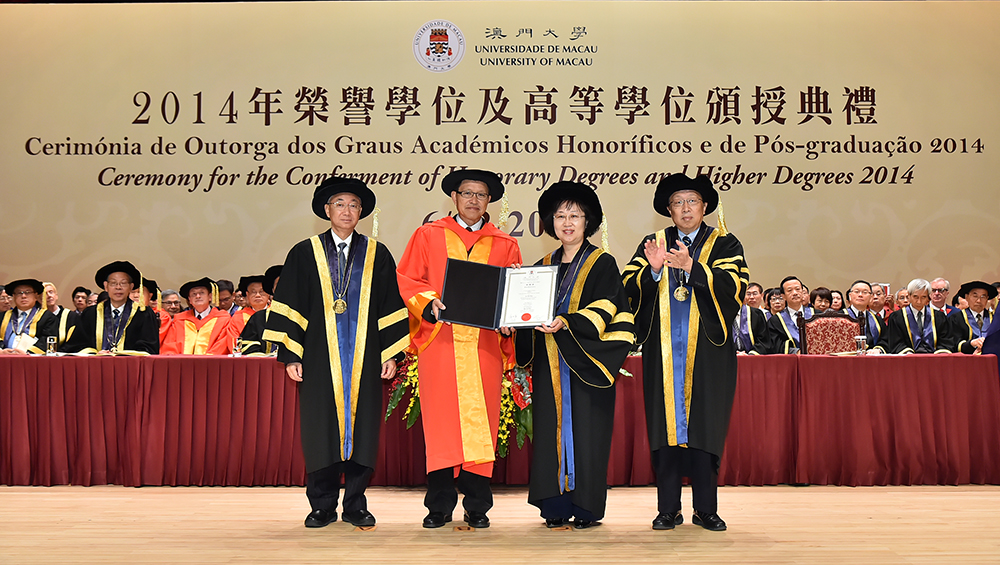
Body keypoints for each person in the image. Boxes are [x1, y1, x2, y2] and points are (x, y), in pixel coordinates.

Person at [264, 177, 409, 529]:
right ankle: (322, 505)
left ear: (362, 212)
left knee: (363, 430)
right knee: (320, 430)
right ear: (327, 210)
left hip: (365, 358)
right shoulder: (304, 252)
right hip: (318, 358)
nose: (347, 210)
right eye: (340, 204)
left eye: (354, 205)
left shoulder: (377, 254)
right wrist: (292, 355)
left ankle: (356, 504)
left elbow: (390, 304)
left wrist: (390, 354)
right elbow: (292, 302)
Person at [396, 168, 522, 529]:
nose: (473, 200)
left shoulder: (505, 243)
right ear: (454, 197)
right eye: (467, 193)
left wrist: (510, 318)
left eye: (480, 195)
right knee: (442, 425)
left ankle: (477, 506)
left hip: (485, 346)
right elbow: (409, 278)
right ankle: (438, 506)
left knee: (482, 423)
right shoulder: (428, 235)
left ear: (489, 201)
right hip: (441, 343)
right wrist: (429, 302)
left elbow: (512, 291)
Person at [622, 173, 748, 532]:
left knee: (706, 427)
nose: (685, 208)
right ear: (669, 209)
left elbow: (735, 286)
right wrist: (653, 271)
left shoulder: (724, 242)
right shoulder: (653, 243)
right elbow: (627, 285)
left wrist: (693, 267)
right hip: (662, 353)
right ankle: (668, 509)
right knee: (664, 430)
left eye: (692, 201)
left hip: (708, 353)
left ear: (705, 207)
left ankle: (705, 509)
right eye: (678, 202)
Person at [514, 181, 634, 529]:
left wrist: (568, 322)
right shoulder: (541, 266)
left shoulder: (602, 263)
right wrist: (516, 311)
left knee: (587, 435)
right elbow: (529, 315)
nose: (567, 223)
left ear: (588, 221)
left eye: (575, 216)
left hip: (587, 365)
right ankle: (553, 505)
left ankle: (585, 508)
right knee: (549, 434)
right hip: (549, 366)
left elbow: (610, 307)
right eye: (560, 216)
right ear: (550, 222)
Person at [62, 261, 159, 355]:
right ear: (106, 286)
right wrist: (95, 353)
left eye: (123, 283)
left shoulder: (143, 314)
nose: (118, 287)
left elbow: (149, 348)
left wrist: (121, 355)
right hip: (96, 364)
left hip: (129, 364)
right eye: (113, 283)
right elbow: (76, 345)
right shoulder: (91, 313)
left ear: (131, 287)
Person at [878, 278, 954, 354]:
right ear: (909, 296)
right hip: (908, 357)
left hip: (934, 357)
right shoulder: (897, 317)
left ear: (928, 298)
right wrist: (908, 353)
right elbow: (896, 342)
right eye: (915, 297)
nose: (919, 301)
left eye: (923, 297)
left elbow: (945, 340)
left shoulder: (939, 317)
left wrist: (939, 353)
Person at [160, 278, 233, 355]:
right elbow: (170, 346)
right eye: (194, 294)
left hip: (210, 361)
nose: (198, 296)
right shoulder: (179, 320)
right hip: (182, 362)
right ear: (190, 300)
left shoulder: (223, 319)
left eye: (202, 293)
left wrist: (205, 360)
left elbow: (221, 346)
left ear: (210, 297)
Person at [1, 278, 57, 355]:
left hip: (32, 358)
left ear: (36, 296)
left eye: (28, 292)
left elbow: (46, 340)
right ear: (13, 296)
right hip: (5, 357)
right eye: (19, 293)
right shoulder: (3, 316)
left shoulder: (47, 317)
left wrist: (28, 353)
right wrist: (1, 351)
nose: (23, 296)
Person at [240, 265, 281, 356]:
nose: (284, 288)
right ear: (273, 291)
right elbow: (249, 348)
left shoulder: (306, 317)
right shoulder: (259, 318)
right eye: (279, 285)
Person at [766, 276, 813, 354]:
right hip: (792, 359)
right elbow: (775, 345)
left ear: (803, 292)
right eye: (789, 290)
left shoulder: (816, 314)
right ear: (783, 296)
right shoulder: (775, 321)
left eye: (797, 289)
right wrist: (796, 352)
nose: (795, 293)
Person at [949, 281, 995, 354]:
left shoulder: (994, 318)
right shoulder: (956, 318)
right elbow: (954, 343)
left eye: (983, 297)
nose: (979, 301)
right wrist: (971, 344)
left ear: (987, 299)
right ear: (967, 297)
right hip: (967, 358)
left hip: (991, 357)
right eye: (975, 296)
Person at [844, 280, 885, 352]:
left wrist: (878, 349)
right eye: (857, 292)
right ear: (850, 296)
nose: (860, 295)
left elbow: (884, 339)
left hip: (872, 356)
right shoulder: (840, 317)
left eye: (865, 292)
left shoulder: (877, 320)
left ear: (871, 297)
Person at [43, 282, 80, 350]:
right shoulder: (37, 317)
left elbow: (75, 340)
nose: (49, 296)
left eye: (51, 292)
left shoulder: (71, 316)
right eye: (45, 294)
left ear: (56, 296)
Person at [734, 285, 769, 355]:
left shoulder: (756, 314)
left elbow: (764, 341)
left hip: (753, 358)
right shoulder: (719, 316)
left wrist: (751, 354)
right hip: (728, 358)